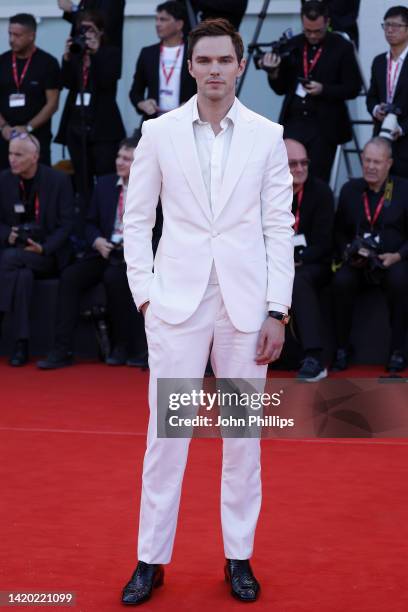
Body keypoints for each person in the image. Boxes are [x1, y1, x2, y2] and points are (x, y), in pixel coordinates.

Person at [122, 18, 294, 605]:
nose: (215, 70)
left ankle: (238, 556)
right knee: (167, 437)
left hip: (247, 308)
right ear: (190, 66)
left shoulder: (268, 137)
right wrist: (144, 295)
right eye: (205, 61)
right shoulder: (159, 133)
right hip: (174, 305)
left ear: (240, 65)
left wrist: (279, 309)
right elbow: (137, 219)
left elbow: (278, 229)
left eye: (225, 60)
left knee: (243, 438)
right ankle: (150, 559)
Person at [37, 137, 159, 370]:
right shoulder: (104, 184)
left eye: (127, 159)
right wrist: (97, 241)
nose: (120, 162)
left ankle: (123, 347)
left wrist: (133, 247)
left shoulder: (152, 188)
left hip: (135, 256)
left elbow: (159, 229)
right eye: (119, 157)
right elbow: (88, 221)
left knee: (116, 278)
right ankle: (62, 349)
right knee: (71, 277)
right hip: (104, 251)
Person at [261, 0, 361, 182]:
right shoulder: (293, 44)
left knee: (317, 180)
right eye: (308, 31)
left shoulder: (342, 47)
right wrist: (274, 73)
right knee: (285, 178)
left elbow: (353, 88)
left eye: (318, 31)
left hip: (325, 125)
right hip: (294, 122)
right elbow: (281, 88)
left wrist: (324, 90)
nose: (313, 36)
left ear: (327, 23)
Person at [332, 137, 408, 373]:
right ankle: (342, 348)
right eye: (367, 161)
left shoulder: (404, 189)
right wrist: (348, 251)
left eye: (377, 162)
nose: (371, 167)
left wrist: (398, 255)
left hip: (392, 259)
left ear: (389, 164)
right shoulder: (349, 190)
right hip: (358, 262)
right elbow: (339, 231)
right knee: (340, 282)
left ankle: (397, 351)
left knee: (400, 281)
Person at [0, 134, 74, 366]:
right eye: (10, 153)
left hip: (47, 254)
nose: (12, 159)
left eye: (18, 155)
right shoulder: (3, 180)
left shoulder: (58, 180)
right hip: (16, 252)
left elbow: (67, 224)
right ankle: (22, 343)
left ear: (35, 157)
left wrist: (43, 247)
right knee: (21, 275)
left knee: (9, 258)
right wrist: (8, 235)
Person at [55, 9, 125, 205]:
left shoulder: (111, 53)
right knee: (81, 178)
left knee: (105, 175)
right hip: (76, 122)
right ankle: (83, 222)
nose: (86, 34)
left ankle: (104, 217)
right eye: (82, 29)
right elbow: (66, 83)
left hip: (103, 125)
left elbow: (106, 82)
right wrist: (68, 59)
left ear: (101, 31)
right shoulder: (77, 51)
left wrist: (96, 54)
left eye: (90, 29)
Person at [285, 138, 334, 381]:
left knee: (298, 279)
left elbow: (325, 243)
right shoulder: (266, 192)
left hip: (313, 265)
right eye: (293, 164)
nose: (300, 169)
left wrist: (297, 259)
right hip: (274, 263)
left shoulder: (321, 191)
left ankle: (315, 356)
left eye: (304, 163)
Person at [0, 13, 60, 169]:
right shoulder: (2, 61)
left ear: (31, 36)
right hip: (5, 136)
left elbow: (52, 103)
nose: (12, 39)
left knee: (39, 181)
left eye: (17, 35)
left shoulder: (48, 63)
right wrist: (3, 126)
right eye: (10, 34)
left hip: (36, 136)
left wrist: (28, 128)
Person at [129, 1, 197, 124]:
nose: (157, 24)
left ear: (179, 24)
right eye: (157, 19)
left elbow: (205, 90)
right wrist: (143, 104)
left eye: (163, 20)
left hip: (186, 123)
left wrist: (192, 104)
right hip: (155, 122)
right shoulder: (148, 53)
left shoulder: (193, 53)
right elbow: (135, 92)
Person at [366, 6, 408, 180]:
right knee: (386, 187)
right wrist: (377, 109)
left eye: (396, 26)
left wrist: (402, 128)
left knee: (403, 187)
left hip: (405, 138)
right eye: (387, 25)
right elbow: (371, 96)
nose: (390, 30)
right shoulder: (379, 62)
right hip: (382, 136)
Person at [57, 0, 125, 56]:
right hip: (85, 56)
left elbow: (99, 23)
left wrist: (73, 8)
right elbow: (84, 20)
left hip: (102, 59)